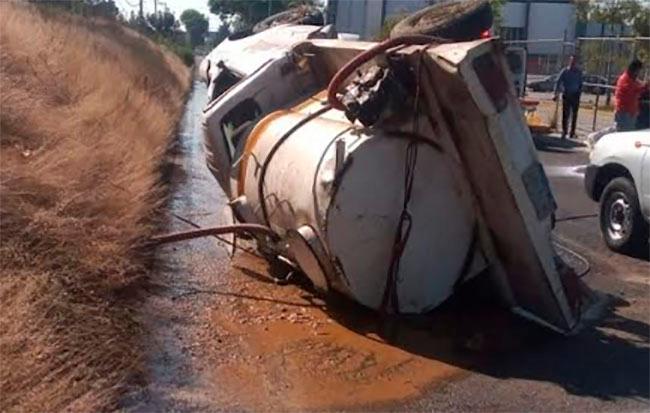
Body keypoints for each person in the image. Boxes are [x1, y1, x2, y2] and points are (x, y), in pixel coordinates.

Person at [614, 59, 649, 131]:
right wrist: (645, 86)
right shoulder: (625, 79)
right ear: (634, 69)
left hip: (631, 112)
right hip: (624, 111)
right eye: (638, 70)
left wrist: (645, 86)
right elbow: (634, 90)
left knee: (626, 131)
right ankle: (596, 137)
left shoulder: (633, 79)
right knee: (622, 132)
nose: (639, 73)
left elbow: (639, 87)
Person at [554, 55, 583, 139]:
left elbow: (580, 83)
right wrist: (556, 93)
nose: (573, 63)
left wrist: (579, 92)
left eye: (574, 62)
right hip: (567, 94)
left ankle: (572, 132)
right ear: (569, 61)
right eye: (571, 61)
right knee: (565, 114)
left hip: (575, 95)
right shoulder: (565, 71)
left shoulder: (578, 72)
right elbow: (558, 81)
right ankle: (564, 131)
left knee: (574, 115)